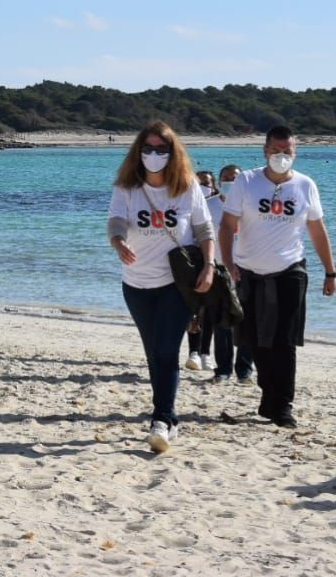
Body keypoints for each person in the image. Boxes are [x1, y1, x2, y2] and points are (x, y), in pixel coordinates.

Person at [220, 126, 336, 429]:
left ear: (294, 152)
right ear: (265, 151)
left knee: (284, 340)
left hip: (291, 271)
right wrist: (228, 263)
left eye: (288, 151)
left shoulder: (305, 185)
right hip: (249, 272)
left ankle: (283, 405)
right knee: (257, 340)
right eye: (276, 151)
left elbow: (316, 230)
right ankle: (268, 396)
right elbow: (227, 224)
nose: (282, 156)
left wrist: (330, 271)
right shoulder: (246, 181)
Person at [107, 121, 214, 454]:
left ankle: (161, 420)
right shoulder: (127, 187)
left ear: (173, 152)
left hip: (175, 283)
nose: (154, 155)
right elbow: (116, 220)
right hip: (137, 284)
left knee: (168, 351)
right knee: (155, 354)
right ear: (139, 153)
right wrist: (118, 241)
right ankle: (170, 415)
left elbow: (204, 229)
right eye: (148, 149)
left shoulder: (186, 186)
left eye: (162, 149)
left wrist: (209, 266)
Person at [211, 164, 253, 383]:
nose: (230, 182)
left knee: (247, 322)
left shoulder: (251, 206)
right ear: (219, 183)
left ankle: (245, 370)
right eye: (226, 178)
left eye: (235, 179)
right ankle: (223, 369)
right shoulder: (209, 206)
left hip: (248, 270)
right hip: (219, 270)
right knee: (223, 323)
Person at [185, 171, 221, 373]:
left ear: (214, 186)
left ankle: (206, 353)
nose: (202, 186)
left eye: (206, 183)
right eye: (198, 183)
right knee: (194, 310)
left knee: (210, 311)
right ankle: (193, 353)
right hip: (191, 263)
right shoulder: (187, 205)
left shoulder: (220, 206)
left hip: (214, 264)